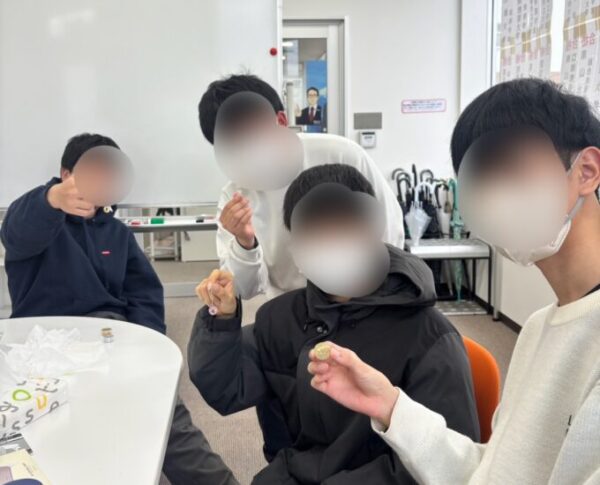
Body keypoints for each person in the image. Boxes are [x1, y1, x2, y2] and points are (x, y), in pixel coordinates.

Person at [307, 79, 600, 485]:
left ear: (586, 171)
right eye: (481, 178)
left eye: (510, 165)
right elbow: (495, 470)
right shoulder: (538, 329)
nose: (496, 195)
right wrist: (391, 406)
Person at [188, 163, 480, 484]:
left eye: (344, 227)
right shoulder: (279, 319)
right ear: (296, 246)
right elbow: (226, 390)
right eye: (314, 232)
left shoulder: (428, 335)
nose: (331, 242)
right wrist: (221, 321)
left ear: (373, 230)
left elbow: (446, 462)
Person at [1, 133, 238, 485]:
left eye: (110, 172)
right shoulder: (38, 215)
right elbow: (16, 233)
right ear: (66, 174)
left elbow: (144, 293)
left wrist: (143, 344)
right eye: (93, 170)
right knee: (40, 435)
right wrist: (51, 199)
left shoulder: (116, 232)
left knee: (165, 415)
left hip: (108, 336)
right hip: (39, 346)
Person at [198, 74, 404, 301]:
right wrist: (244, 244)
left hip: (362, 298)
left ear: (280, 121)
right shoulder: (234, 196)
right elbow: (245, 289)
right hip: (291, 305)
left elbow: (390, 230)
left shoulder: (341, 153)